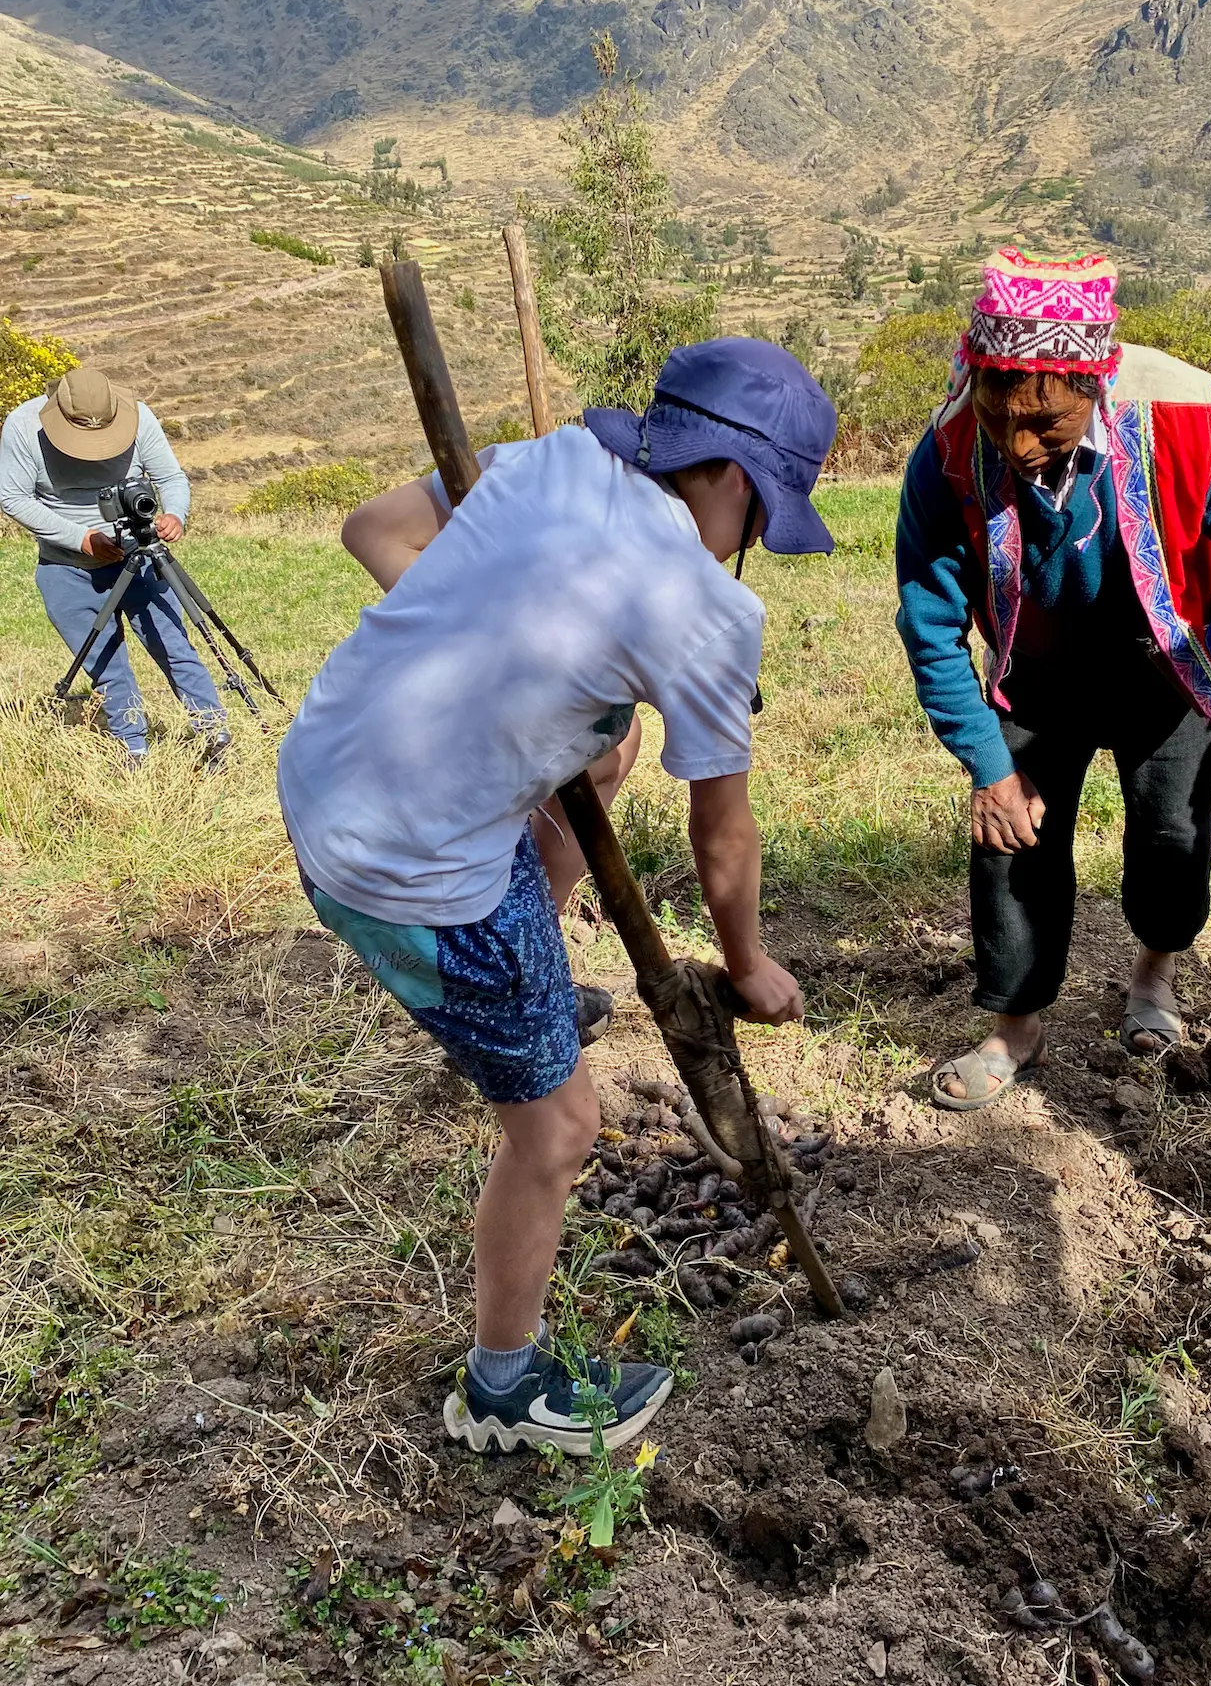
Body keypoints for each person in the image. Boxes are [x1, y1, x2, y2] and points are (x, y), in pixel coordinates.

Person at [277, 337, 837, 1455]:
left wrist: (494, 656)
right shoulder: (708, 613)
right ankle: (503, 1390)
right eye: (765, 517)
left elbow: (373, 529)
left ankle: (525, 977)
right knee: (560, 1125)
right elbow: (721, 831)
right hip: (411, 875)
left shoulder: (548, 463)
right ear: (732, 480)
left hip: (322, 774)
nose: (754, 543)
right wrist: (749, 963)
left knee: (610, 743)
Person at [895, 248, 1211, 1108]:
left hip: (1168, 665)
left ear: (1094, 389)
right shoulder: (949, 449)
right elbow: (931, 623)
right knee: (1010, 843)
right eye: (1001, 418)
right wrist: (989, 766)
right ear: (977, 379)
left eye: (1046, 426)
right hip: (1039, 669)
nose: (1020, 447)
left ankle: (1153, 975)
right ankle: (1017, 1026)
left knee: (1172, 837)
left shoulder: (1189, 415)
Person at [0, 365, 230, 766]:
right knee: (105, 663)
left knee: (174, 647)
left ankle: (214, 734)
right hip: (66, 568)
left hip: (139, 558)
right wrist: (82, 539)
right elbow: (13, 497)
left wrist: (175, 514)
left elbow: (171, 478)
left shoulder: (140, 417)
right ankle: (133, 747)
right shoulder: (22, 426)